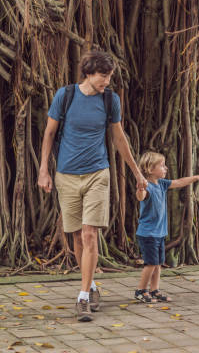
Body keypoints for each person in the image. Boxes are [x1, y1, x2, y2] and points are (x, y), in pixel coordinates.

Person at [38, 50, 148, 322]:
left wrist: (137, 173)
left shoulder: (111, 100)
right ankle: (91, 285)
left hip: (98, 173)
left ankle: (83, 297)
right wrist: (43, 170)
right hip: (66, 175)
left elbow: (119, 138)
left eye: (109, 76)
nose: (107, 81)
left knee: (89, 234)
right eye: (103, 76)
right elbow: (49, 133)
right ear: (88, 73)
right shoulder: (65, 96)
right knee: (76, 236)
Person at [134, 151, 199, 303]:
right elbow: (140, 197)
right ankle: (140, 291)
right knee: (150, 264)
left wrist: (196, 177)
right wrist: (140, 189)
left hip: (159, 233)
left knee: (158, 264)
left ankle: (154, 290)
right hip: (148, 234)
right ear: (150, 169)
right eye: (161, 166)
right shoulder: (147, 186)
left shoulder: (162, 184)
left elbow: (179, 182)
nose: (166, 168)